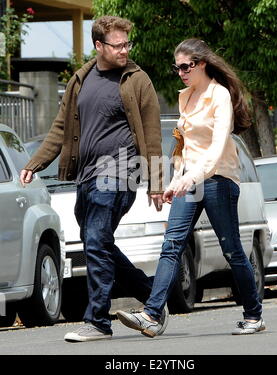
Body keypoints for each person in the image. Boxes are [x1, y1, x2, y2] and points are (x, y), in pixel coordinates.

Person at [20, 15, 169, 342]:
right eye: (117, 45)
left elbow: (153, 134)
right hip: (86, 176)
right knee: (95, 242)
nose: (124, 51)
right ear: (99, 45)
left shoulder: (136, 79)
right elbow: (60, 129)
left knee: (97, 238)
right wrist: (36, 162)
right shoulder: (81, 79)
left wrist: (156, 183)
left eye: (127, 44)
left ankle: (98, 321)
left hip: (119, 173)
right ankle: (151, 295)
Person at [117, 38, 266, 337]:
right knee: (171, 244)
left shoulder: (219, 95)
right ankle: (151, 314)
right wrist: (176, 180)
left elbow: (217, 146)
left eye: (187, 66)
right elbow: (184, 147)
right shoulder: (186, 97)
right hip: (190, 180)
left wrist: (190, 179)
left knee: (233, 250)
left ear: (203, 64)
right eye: (178, 67)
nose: (181, 72)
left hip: (219, 179)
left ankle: (254, 315)